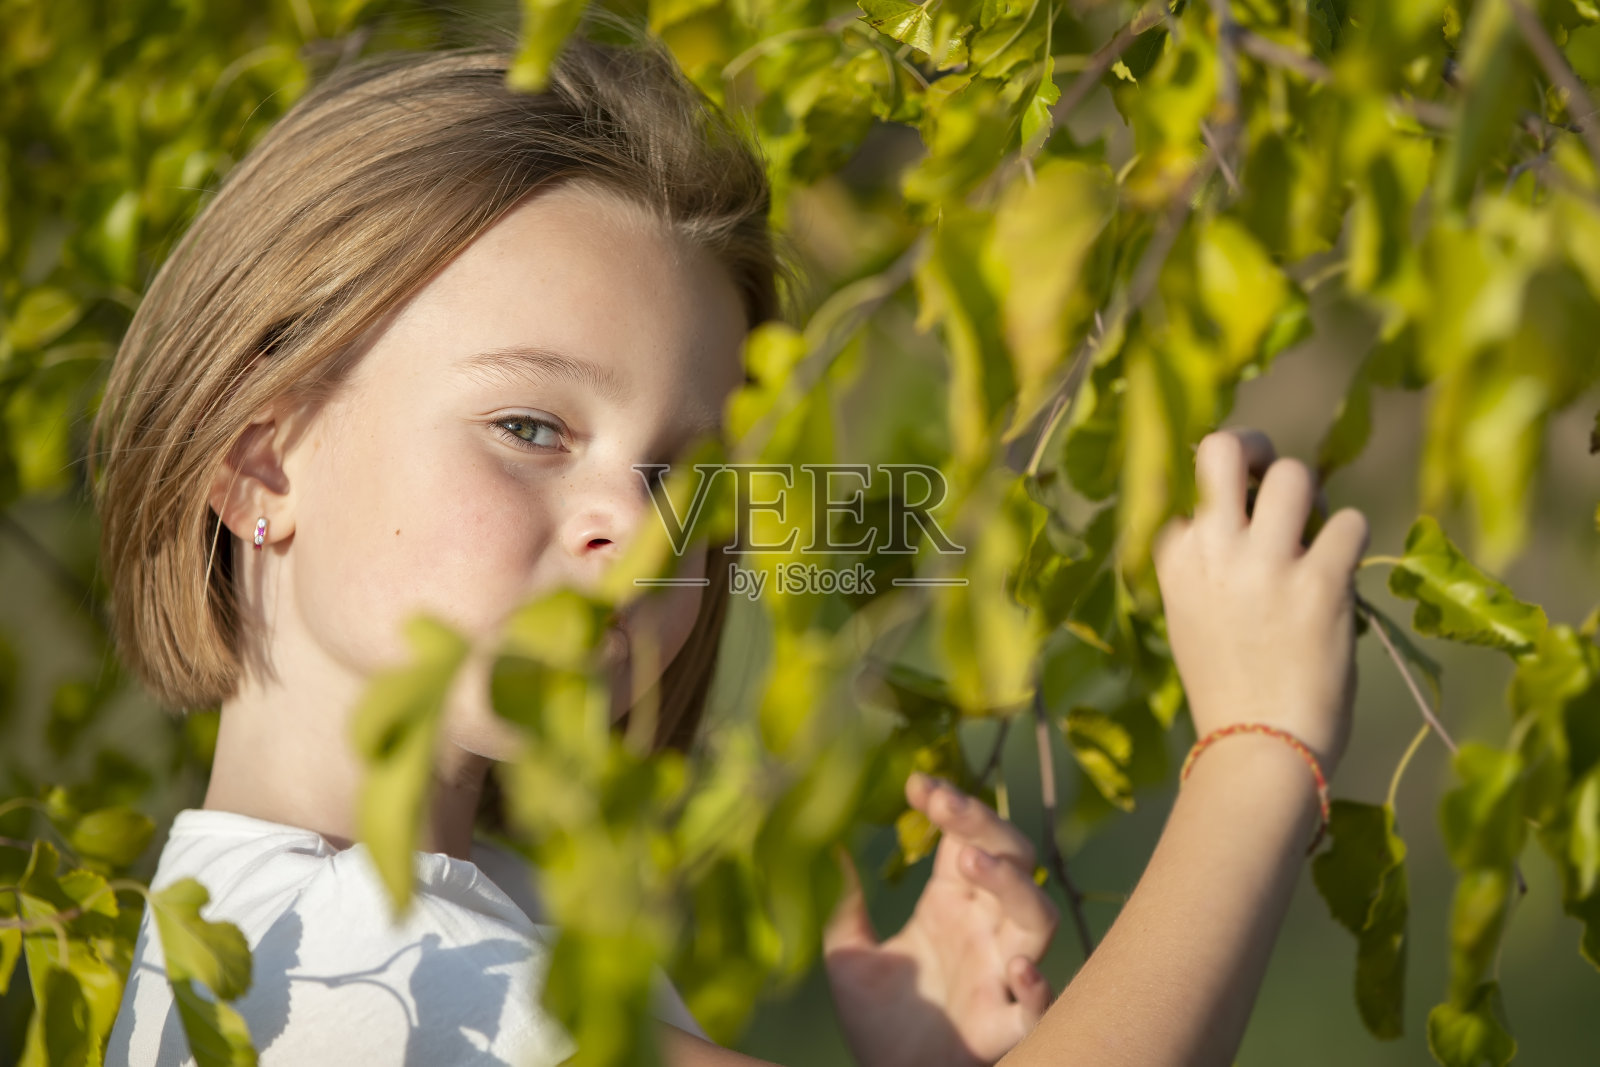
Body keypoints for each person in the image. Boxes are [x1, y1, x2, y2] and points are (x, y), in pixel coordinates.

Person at [92, 26, 1369, 1067]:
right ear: (259, 457)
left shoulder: (446, 928)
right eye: (531, 425)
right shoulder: (348, 987)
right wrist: (1256, 755)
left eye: (681, 473)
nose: (639, 529)